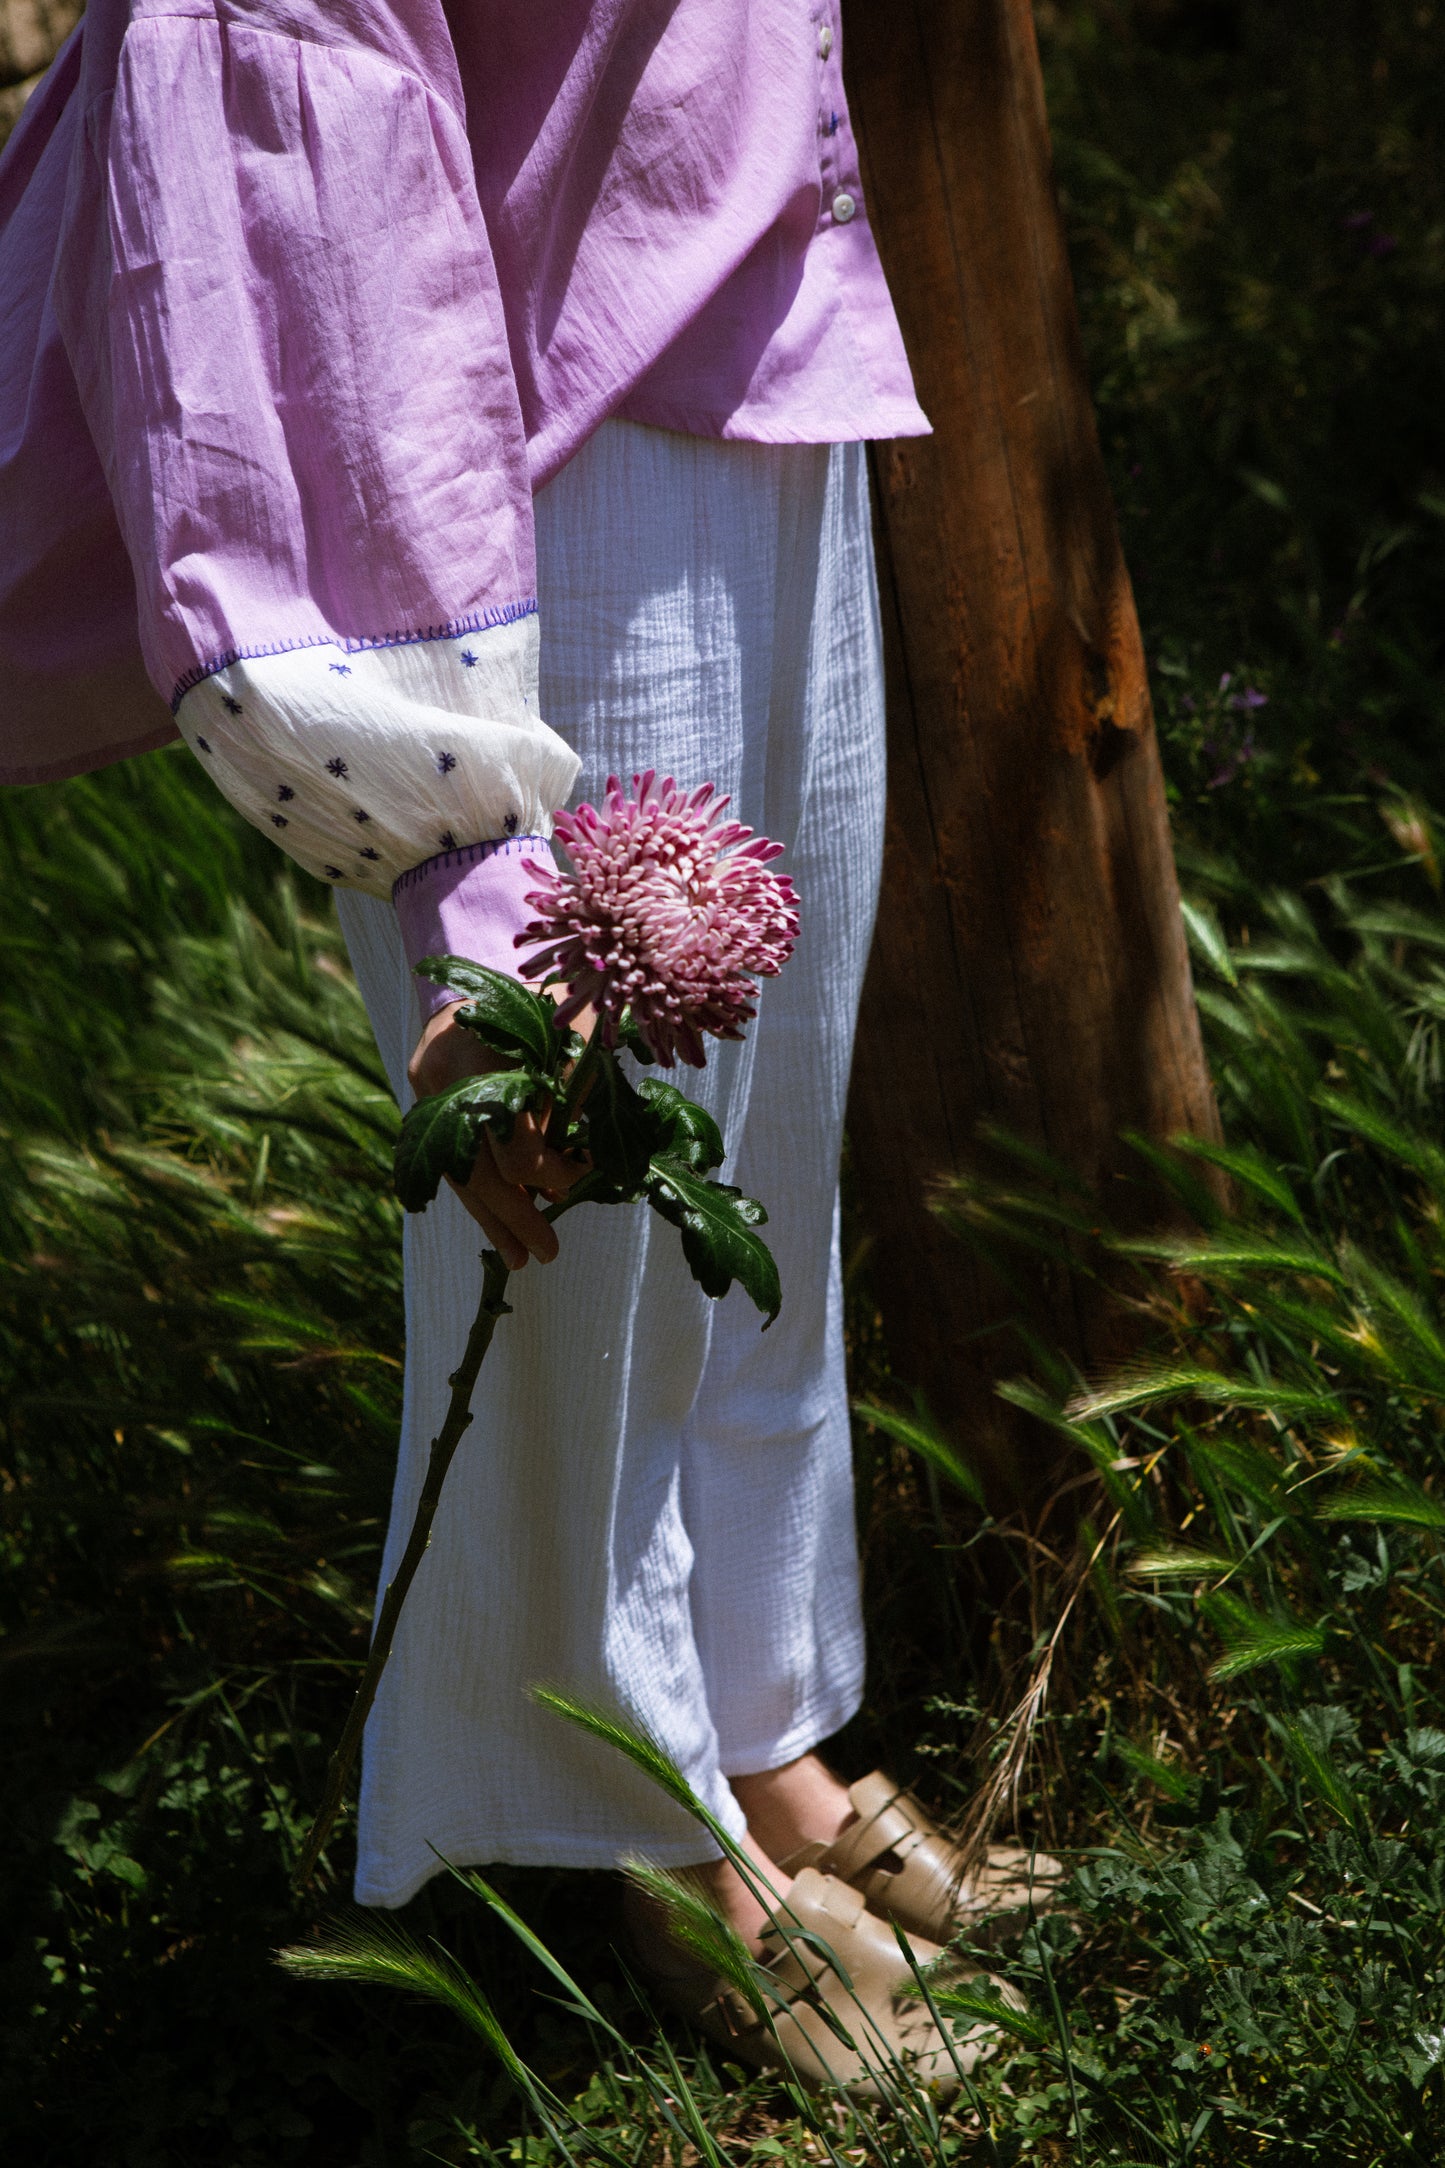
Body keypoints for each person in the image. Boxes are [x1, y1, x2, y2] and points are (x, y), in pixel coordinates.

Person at [0, 0, 1044, 2092]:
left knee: (770, 1129)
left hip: (755, 281)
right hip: (509, 388)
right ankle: (644, 1831)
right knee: (594, 1180)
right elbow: (284, 114)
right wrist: (456, 860)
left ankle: (763, 1732)